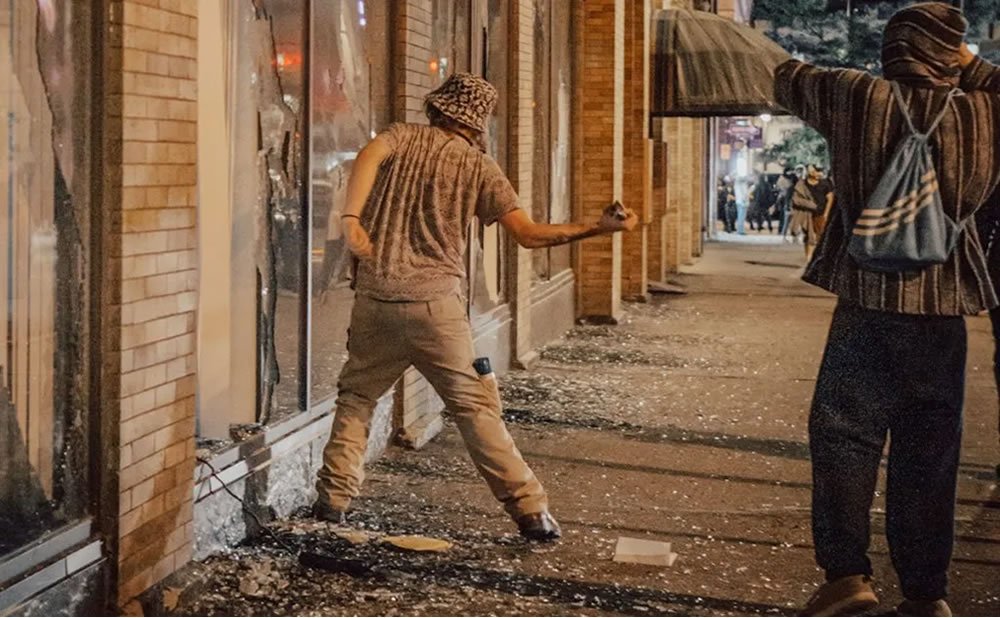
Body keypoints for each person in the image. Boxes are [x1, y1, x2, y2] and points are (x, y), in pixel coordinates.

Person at [312, 73, 638, 541]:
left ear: (437, 109)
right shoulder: (480, 167)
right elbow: (528, 235)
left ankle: (332, 503)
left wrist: (350, 217)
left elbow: (368, 155)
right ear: (477, 124)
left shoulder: (400, 137)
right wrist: (598, 228)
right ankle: (531, 512)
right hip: (436, 309)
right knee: (474, 409)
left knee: (357, 399)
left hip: (377, 300)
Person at [775, 3, 1000, 616]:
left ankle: (847, 576)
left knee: (844, 436)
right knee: (931, 453)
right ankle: (927, 595)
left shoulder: (856, 96)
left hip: (867, 304)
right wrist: (971, 68)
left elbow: (785, 75)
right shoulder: (985, 112)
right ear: (949, 52)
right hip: (942, 311)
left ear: (894, 48)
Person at [792, 165, 834, 260]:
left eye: (817, 171)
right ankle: (809, 258)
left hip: (821, 213)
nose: (817, 173)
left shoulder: (825, 183)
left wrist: (826, 213)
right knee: (808, 236)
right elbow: (796, 198)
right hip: (806, 213)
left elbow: (830, 198)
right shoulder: (802, 184)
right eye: (813, 171)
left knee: (820, 235)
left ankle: (820, 257)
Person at [776, 167, 798, 238]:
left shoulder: (791, 187)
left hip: (788, 203)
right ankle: (785, 232)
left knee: (787, 219)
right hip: (787, 202)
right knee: (786, 219)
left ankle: (784, 233)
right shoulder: (784, 180)